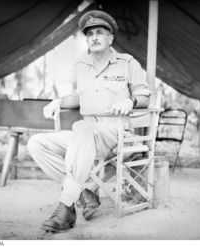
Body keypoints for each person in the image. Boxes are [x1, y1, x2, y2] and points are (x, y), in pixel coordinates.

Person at [27, 9, 151, 233]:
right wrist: (59, 101)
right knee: (36, 143)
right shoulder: (80, 66)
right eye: (89, 33)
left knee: (82, 128)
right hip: (85, 136)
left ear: (110, 38)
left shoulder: (127, 62)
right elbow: (78, 98)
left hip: (116, 132)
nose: (94, 37)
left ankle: (65, 208)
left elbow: (145, 96)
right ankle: (83, 190)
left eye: (100, 32)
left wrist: (131, 101)